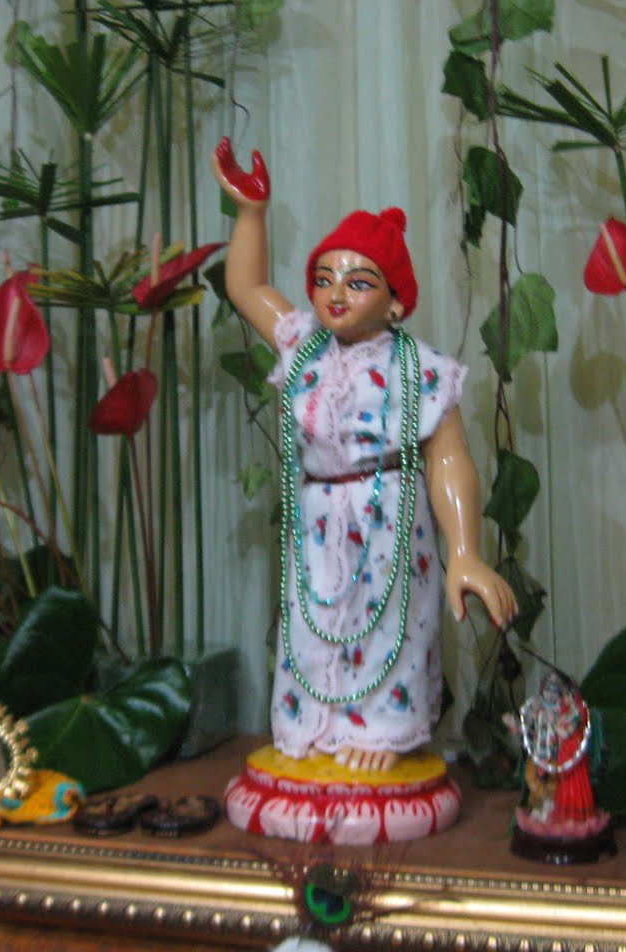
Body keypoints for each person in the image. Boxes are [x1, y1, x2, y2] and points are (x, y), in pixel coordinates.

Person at [214, 139, 518, 775]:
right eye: (324, 279)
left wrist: (465, 550)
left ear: (397, 301)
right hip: (316, 517)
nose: (335, 294)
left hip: (390, 520)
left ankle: (382, 730)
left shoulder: (420, 368)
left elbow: (449, 460)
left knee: (390, 628)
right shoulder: (302, 343)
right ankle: (313, 723)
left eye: (358, 282)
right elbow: (246, 286)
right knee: (314, 622)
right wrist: (251, 214)